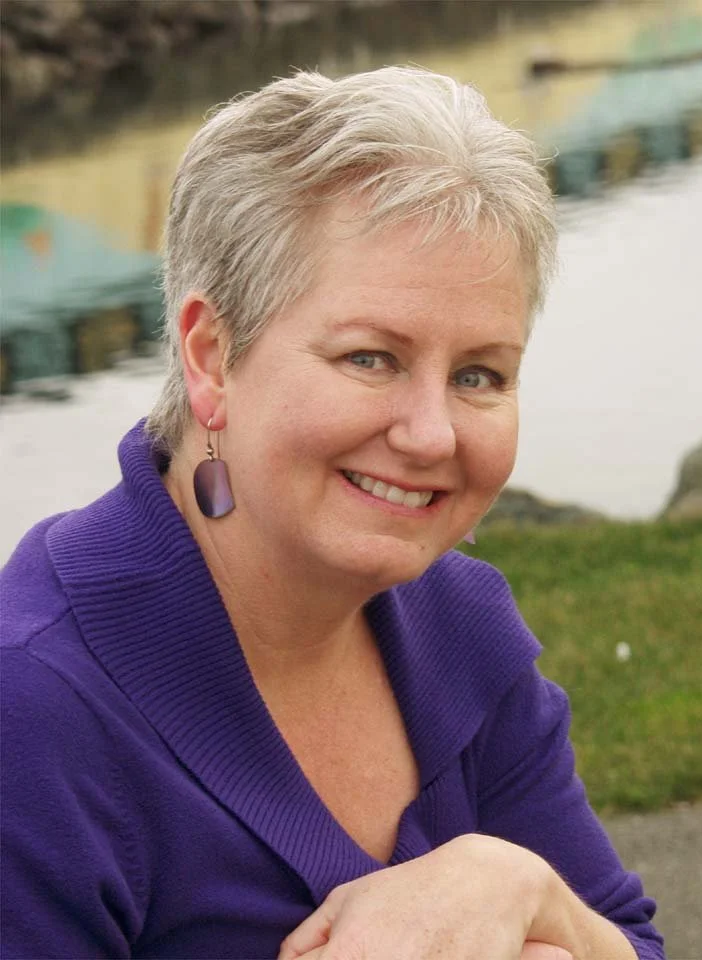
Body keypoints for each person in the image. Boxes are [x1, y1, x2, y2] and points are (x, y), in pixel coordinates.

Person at [0, 67, 664, 960]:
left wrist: (519, 887)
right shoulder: (35, 710)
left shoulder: (460, 627)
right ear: (210, 356)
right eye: (370, 358)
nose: (432, 435)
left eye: (479, 375)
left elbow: (629, 944)